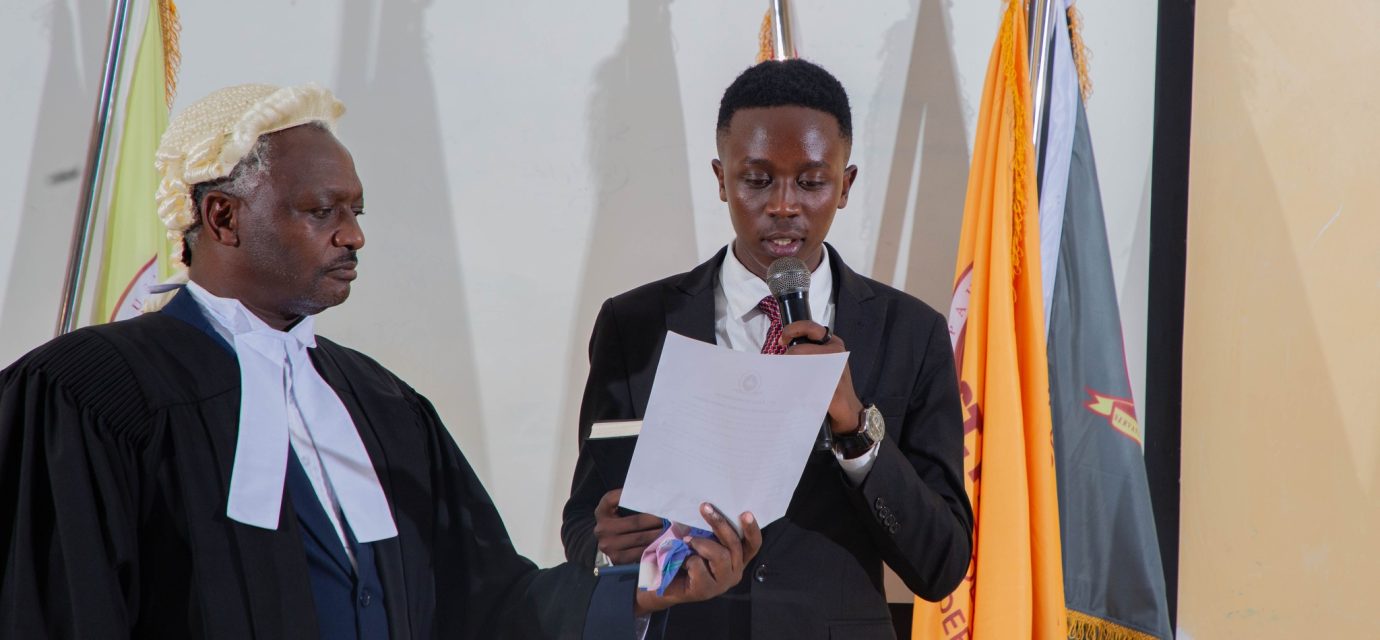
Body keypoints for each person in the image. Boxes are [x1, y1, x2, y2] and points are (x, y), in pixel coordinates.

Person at [0, 83, 761, 639]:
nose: (354, 235)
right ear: (222, 216)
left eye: (355, 210)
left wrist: (641, 589)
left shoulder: (381, 405)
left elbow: (491, 605)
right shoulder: (86, 396)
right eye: (320, 211)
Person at [561, 60, 973, 638]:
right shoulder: (634, 325)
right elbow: (586, 523)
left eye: (811, 181)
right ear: (721, 179)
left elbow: (942, 564)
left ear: (846, 185)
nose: (783, 205)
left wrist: (856, 429)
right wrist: (609, 551)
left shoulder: (912, 332)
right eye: (756, 180)